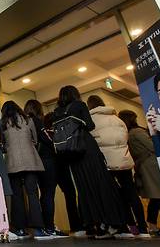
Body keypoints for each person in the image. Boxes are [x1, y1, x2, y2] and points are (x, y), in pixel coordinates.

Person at [52, 86, 125, 239]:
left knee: (84, 188)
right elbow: (90, 125)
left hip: (71, 153)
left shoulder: (57, 112)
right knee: (101, 183)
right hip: (86, 148)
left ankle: (94, 225)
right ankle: (109, 223)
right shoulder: (79, 105)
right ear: (75, 94)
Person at [87, 95, 144, 238]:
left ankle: (124, 227)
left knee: (114, 196)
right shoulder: (117, 119)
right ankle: (143, 229)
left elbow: (92, 143)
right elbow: (125, 137)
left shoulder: (91, 121)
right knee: (131, 194)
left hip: (106, 163)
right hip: (123, 160)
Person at [118, 110, 160, 238]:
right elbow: (152, 146)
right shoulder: (137, 132)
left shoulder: (127, 134)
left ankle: (152, 226)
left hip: (144, 168)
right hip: (152, 167)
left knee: (155, 198)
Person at [1, 101, 50, 239]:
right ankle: (39, 230)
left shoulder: (3, 123)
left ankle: (20, 229)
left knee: (17, 196)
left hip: (12, 163)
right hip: (30, 161)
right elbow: (35, 139)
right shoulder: (28, 120)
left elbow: (3, 145)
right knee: (32, 194)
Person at [24, 100, 67, 237]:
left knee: (36, 194)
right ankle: (49, 227)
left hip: (32, 161)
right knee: (48, 194)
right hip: (47, 160)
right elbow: (47, 139)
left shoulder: (24, 122)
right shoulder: (37, 121)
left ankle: (42, 227)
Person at [44, 112, 84, 237]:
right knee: (70, 195)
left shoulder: (44, 133)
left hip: (49, 166)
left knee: (48, 196)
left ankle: (49, 226)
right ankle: (76, 226)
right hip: (62, 165)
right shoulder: (60, 133)